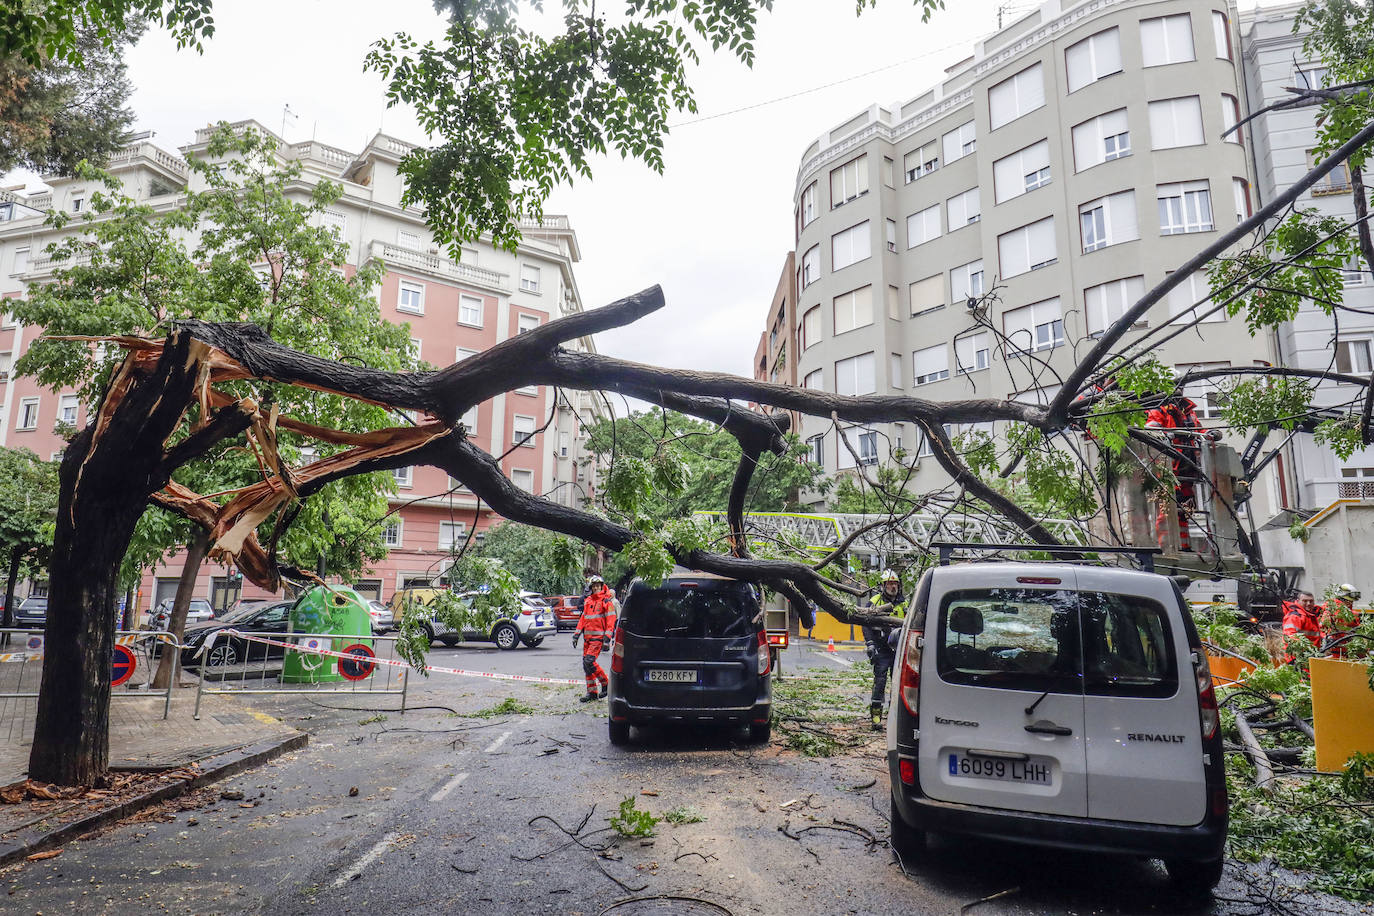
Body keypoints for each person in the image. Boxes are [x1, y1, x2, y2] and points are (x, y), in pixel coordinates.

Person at [1145, 395, 1203, 552]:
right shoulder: (1159, 409)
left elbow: (1200, 431)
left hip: (1187, 469)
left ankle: (1184, 545)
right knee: (1167, 509)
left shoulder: (1189, 411)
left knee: (1184, 509)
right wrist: (1165, 435)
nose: (1178, 390)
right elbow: (1150, 432)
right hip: (1168, 468)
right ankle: (1166, 548)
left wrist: (1211, 434)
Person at [863, 569, 906, 731]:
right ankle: (876, 718)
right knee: (880, 683)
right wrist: (870, 644)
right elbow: (865, 624)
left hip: (900, 650)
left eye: (895, 583)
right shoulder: (875, 601)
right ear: (883, 585)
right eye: (889, 583)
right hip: (881, 649)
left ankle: (895, 719)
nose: (892, 586)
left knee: (899, 685)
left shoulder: (905, 603)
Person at [573, 575, 615, 702]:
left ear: (602, 586)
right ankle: (592, 692)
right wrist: (576, 634)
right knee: (586, 666)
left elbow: (611, 620)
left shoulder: (606, 602)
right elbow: (583, 619)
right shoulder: (588, 601)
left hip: (598, 638)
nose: (596, 588)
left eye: (598, 586)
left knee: (589, 662)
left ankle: (605, 683)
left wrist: (607, 637)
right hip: (587, 639)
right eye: (594, 586)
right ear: (591, 588)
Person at [1281, 591, 1322, 662]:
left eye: (1311, 601)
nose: (1308, 603)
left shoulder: (1310, 615)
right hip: (1298, 657)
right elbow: (1290, 636)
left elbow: (1313, 634)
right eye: (1305, 601)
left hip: (1310, 656)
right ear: (1298, 601)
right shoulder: (1295, 616)